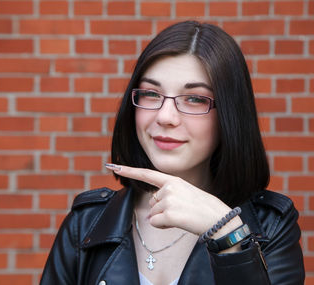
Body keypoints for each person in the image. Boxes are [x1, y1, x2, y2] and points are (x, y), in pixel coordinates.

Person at [39, 20, 305, 285]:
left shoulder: (270, 228)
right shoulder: (86, 225)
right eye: (151, 94)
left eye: (195, 98)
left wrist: (228, 236)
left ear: (230, 115)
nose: (165, 117)